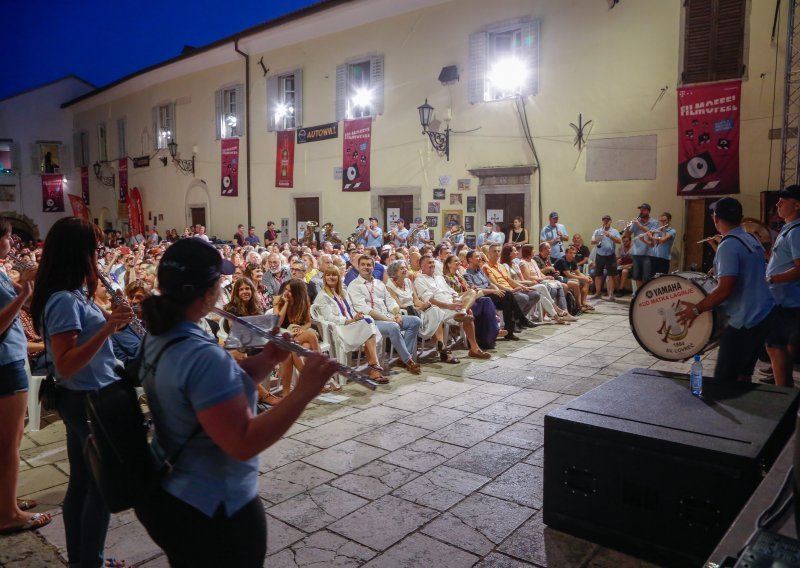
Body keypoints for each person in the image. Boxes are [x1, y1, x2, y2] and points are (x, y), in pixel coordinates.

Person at [131, 238, 336, 566]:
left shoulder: (162, 335)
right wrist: (303, 392)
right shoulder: (200, 353)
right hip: (212, 508)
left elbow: (216, 388)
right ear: (209, 292)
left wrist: (267, 358)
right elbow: (241, 442)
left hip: (174, 491)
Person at [30, 217, 135, 567]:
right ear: (79, 254)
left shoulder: (73, 294)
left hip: (88, 395)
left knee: (81, 484)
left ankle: (84, 560)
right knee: (100, 489)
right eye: (94, 249)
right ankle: (91, 561)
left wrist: (115, 319)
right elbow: (66, 364)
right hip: (89, 398)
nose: (98, 257)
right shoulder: (63, 300)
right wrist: (108, 327)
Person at [678, 197, 775, 382]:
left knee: (724, 379)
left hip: (744, 320)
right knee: (743, 374)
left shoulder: (729, 244)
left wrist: (696, 309)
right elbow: (749, 270)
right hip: (763, 314)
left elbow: (724, 290)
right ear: (742, 218)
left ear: (715, 219)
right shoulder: (749, 237)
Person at [0, 218, 52, 536]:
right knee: (9, 444)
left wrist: (23, 289)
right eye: (7, 235)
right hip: (5, 365)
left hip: (10, 359)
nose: (12, 240)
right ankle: (8, 515)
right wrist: (21, 298)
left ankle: (6, 499)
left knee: (10, 442)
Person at [347, 255, 421, 374]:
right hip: (371, 321)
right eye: (363, 265)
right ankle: (408, 360)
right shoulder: (354, 286)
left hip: (388, 317)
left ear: (373, 267)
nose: (366, 267)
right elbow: (365, 309)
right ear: (358, 267)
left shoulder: (379, 283)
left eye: (369, 265)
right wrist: (389, 319)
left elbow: (390, 301)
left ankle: (404, 357)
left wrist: (397, 314)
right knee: (394, 327)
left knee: (415, 321)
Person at [313, 267, 388, 383]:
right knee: (369, 328)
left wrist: (356, 316)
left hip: (350, 326)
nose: (331, 277)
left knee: (368, 321)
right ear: (324, 278)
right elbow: (330, 318)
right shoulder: (322, 296)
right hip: (339, 330)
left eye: (334, 275)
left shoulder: (342, 293)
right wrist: (350, 321)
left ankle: (374, 367)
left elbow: (350, 310)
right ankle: (374, 366)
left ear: (339, 278)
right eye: (328, 275)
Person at [415, 257, 491, 358]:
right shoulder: (419, 280)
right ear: (421, 266)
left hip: (453, 303)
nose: (432, 264)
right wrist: (449, 306)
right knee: (469, 313)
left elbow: (452, 292)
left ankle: (462, 312)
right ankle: (474, 348)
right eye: (429, 263)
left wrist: (456, 298)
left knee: (472, 292)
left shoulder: (439, 277)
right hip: (440, 308)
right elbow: (430, 300)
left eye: (433, 262)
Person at [385, 260, 456, 362]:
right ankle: (443, 350)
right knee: (429, 313)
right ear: (394, 272)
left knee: (435, 310)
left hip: (415, 309)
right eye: (401, 268)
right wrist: (419, 308)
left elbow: (416, 300)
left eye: (405, 267)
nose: (405, 270)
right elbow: (399, 305)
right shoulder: (389, 286)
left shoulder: (408, 281)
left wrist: (423, 305)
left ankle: (440, 344)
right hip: (403, 312)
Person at [764, 185, 800, 387]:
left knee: (775, 348)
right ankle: (785, 392)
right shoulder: (788, 229)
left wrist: (771, 280)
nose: (777, 204)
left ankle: (783, 398)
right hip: (782, 299)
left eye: (783, 201)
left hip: (786, 300)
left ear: (797, 205)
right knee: (779, 347)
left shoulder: (796, 232)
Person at [442, 255, 502, 349]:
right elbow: (453, 294)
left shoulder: (460, 277)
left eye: (459, 260)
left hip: (470, 298)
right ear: (448, 264)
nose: (458, 262)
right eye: (455, 261)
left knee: (487, 300)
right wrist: (470, 292)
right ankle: (493, 331)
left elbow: (469, 289)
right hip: (460, 302)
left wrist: (472, 290)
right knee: (483, 300)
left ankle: (490, 334)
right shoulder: (445, 278)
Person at [483, 243, 540, 323]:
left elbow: (510, 280)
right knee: (524, 298)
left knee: (535, 295)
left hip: (512, 289)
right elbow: (495, 284)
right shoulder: (486, 267)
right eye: (494, 251)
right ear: (489, 253)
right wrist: (510, 291)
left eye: (499, 251)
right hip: (503, 292)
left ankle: (519, 320)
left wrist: (523, 287)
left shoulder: (501, 266)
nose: (497, 253)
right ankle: (513, 322)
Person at [625, 203, 658, 288]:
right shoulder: (637, 222)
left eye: (643, 210)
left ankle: (646, 295)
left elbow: (650, 232)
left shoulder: (654, 222)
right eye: (640, 210)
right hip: (636, 253)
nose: (641, 212)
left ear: (648, 211)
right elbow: (628, 235)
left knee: (647, 277)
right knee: (637, 276)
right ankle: (639, 294)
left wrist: (639, 225)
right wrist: (627, 226)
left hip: (648, 254)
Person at [590, 214, 621, 300]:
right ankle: (597, 293)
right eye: (604, 220)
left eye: (608, 220)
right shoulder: (597, 231)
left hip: (610, 255)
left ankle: (611, 294)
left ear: (610, 221)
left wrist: (609, 235)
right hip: (600, 255)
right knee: (598, 275)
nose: (606, 221)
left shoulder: (614, 231)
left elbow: (619, 241)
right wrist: (599, 238)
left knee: (611, 275)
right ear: (602, 221)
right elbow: (592, 241)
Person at [555, 246, 593, 312]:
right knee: (576, 282)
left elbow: (578, 273)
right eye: (570, 253)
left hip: (567, 278)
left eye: (574, 253)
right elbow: (569, 275)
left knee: (587, 281)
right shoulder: (562, 260)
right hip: (560, 279)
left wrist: (586, 278)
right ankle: (579, 306)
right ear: (566, 253)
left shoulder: (573, 260)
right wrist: (583, 278)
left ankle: (583, 303)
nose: (573, 255)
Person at [643, 212, 676, 277]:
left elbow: (662, 240)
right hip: (653, 257)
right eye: (661, 221)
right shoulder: (657, 230)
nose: (662, 222)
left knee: (660, 279)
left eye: (664, 221)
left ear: (669, 220)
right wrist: (643, 240)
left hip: (663, 258)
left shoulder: (672, 231)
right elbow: (653, 244)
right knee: (651, 279)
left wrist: (651, 236)